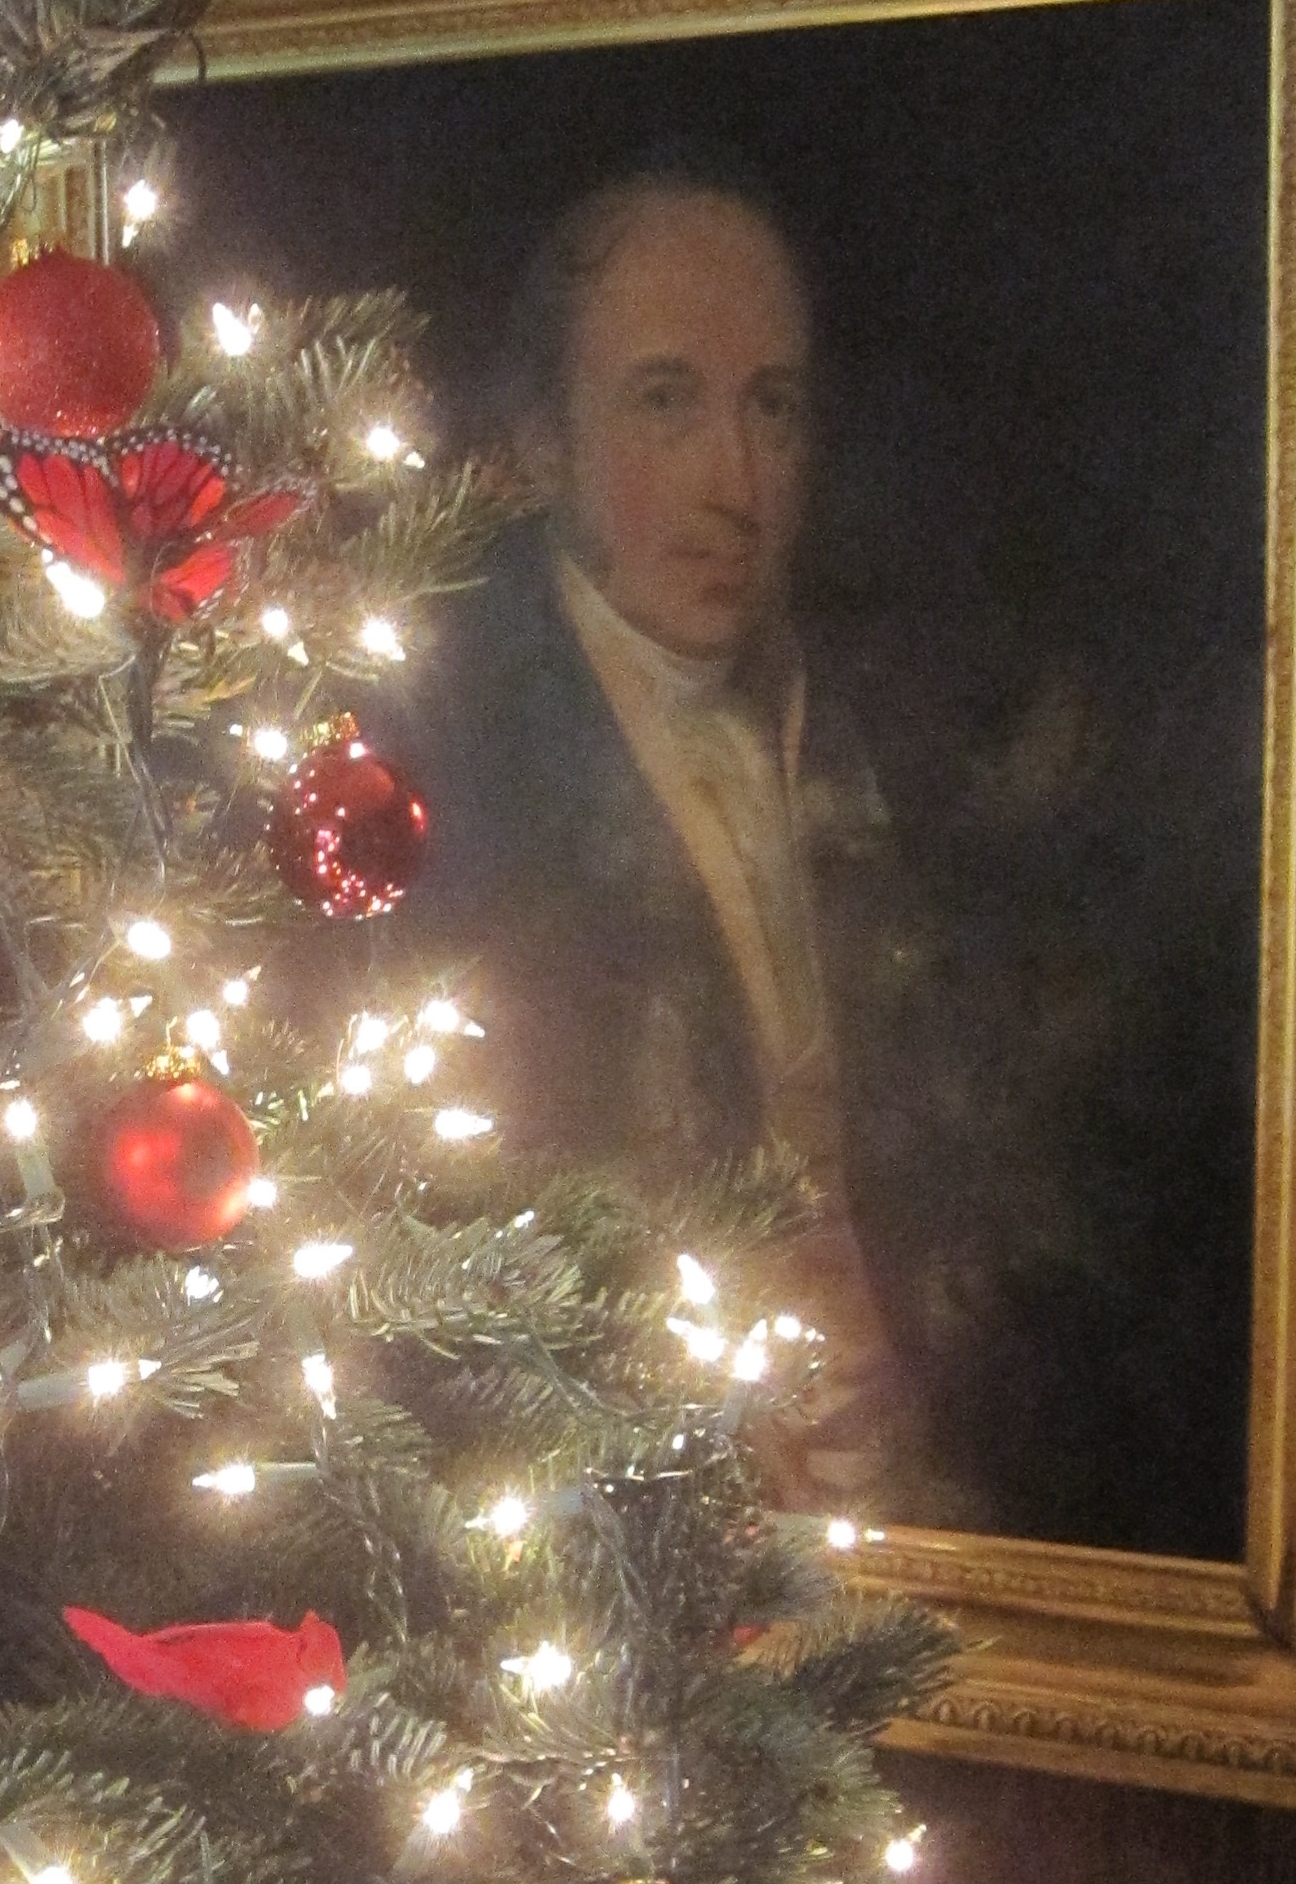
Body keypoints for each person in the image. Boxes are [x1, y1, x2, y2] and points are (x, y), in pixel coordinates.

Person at [372, 157, 916, 1507]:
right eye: (666, 402)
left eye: (771, 409)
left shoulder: (889, 740)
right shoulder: (441, 776)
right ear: (543, 444)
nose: (736, 483)